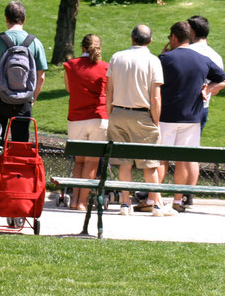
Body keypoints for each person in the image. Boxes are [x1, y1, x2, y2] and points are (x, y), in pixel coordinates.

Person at [157, 21, 225, 213]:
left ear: (173, 37)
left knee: (161, 159)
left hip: (167, 115)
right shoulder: (202, 59)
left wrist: (163, 53)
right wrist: (209, 89)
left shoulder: (165, 58)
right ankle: (178, 200)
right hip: (192, 116)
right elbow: (224, 79)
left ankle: (154, 197)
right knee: (182, 159)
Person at [105, 25, 170, 216]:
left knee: (124, 163)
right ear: (150, 41)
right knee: (150, 164)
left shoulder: (117, 57)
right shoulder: (153, 61)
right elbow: (155, 97)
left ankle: (125, 204)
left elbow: (109, 91)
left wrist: (111, 114)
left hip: (118, 113)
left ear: (132, 38)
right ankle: (157, 205)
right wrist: (155, 121)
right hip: (143, 115)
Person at [0, 1, 48, 142]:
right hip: (23, 101)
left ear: (6, 18)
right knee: (20, 145)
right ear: (24, 19)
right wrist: (32, 97)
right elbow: (41, 77)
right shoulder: (35, 43)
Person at [63, 34, 109, 211]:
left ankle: (75, 200)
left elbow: (69, 89)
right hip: (99, 117)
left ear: (82, 47)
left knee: (79, 162)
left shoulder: (70, 66)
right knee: (92, 162)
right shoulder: (105, 67)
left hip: (76, 118)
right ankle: (82, 202)